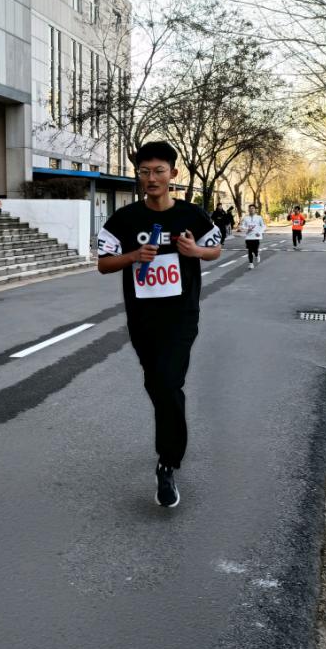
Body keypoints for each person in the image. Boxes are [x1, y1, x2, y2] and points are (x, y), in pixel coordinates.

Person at [97, 141, 223, 508]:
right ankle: (171, 439)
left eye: (159, 171)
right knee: (157, 385)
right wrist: (134, 256)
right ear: (138, 175)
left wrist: (195, 252)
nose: (151, 178)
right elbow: (103, 264)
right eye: (144, 172)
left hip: (181, 316)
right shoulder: (124, 219)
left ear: (173, 174)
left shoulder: (192, 215)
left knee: (168, 384)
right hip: (142, 318)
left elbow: (214, 249)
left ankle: (167, 462)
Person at [239, 203, 266, 268]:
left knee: (255, 249)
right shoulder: (246, 218)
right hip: (248, 236)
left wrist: (259, 232)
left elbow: (263, 226)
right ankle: (250, 263)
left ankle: (257, 255)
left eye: (253, 208)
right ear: (248, 210)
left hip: (256, 236)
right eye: (250, 208)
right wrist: (247, 229)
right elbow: (242, 226)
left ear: (255, 210)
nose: (251, 209)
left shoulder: (259, 217)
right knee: (250, 250)